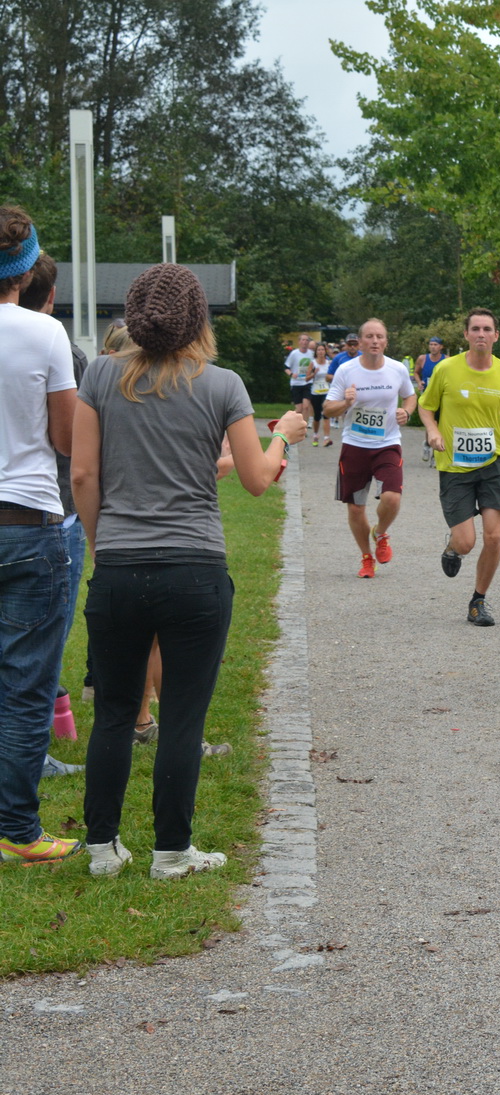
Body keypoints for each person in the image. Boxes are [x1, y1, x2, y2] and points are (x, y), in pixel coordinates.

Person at [73, 262, 306, 879]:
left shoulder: (100, 374)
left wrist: (104, 548)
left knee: (116, 712)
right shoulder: (223, 384)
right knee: (181, 713)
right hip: (195, 567)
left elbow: (82, 475)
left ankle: (101, 848)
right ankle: (171, 852)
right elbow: (257, 480)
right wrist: (282, 434)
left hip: (120, 565)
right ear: (199, 319)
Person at [0, 206, 81, 865]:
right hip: (30, 522)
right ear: (27, 269)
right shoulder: (45, 334)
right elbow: (63, 438)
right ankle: (18, 830)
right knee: (27, 688)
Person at [18, 252, 89, 779]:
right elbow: (69, 442)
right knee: (33, 660)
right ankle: (27, 773)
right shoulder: (51, 340)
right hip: (42, 513)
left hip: (35, 511)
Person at [420, 307, 500, 627]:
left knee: (494, 537)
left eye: (487, 329)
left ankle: (478, 601)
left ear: (496, 336)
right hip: (455, 465)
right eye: (475, 329)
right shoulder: (445, 369)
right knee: (467, 542)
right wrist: (432, 431)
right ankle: (454, 547)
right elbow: (427, 408)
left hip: (494, 461)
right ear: (466, 335)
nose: (481, 334)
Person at [321, 318, 417, 578]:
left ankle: (381, 532)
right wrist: (345, 403)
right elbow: (327, 409)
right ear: (360, 341)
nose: (375, 341)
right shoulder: (347, 370)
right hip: (355, 444)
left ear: (386, 341)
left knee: (392, 497)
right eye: (369, 337)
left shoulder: (397, 369)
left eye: (380, 337)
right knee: (355, 508)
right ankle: (366, 558)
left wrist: (406, 412)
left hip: (387, 443)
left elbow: (410, 395)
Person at [284, 332, 317, 433]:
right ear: (299, 342)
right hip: (296, 383)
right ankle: (287, 422)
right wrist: (291, 374)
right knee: (299, 409)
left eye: (307, 340)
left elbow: (315, 365)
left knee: (306, 406)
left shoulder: (311, 354)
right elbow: (286, 367)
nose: (305, 342)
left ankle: (303, 428)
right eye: (303, 340)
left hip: (307, 382)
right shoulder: (294, 353)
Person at [308, 341, 334, 447]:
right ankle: (315, 434)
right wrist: (314, 373)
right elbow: (306, 378)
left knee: (326, 414)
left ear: (325, 351)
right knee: (317, 416)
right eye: (319, 350)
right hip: (315, 392)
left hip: (326, 392)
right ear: (316, 352)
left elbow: (333, 376)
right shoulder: (313, 363)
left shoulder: (329, 363)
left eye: (322, 350)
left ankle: (326, 438)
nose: (321, 352)